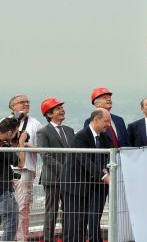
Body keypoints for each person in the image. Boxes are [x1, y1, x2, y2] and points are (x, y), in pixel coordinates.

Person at [61, 108, 111, 242]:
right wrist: (103, 176)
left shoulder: (105, 137)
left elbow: (108, 157)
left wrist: (105, 169)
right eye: (106, 121)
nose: (109, 125)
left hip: (92, 186)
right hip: (75, 186)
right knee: (75, 223)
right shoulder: (82, 136)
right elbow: (84, 160)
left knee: (88, 220)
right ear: (96, 119)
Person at [37, 97, 75, 242]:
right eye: (58, 108)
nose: (62, 110)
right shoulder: (43, 132)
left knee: (69, 211)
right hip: (53, 179)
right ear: (49, 114)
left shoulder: (69, 130)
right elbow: (45, 156)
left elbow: (75, 152)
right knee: (51, 212)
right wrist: (65, 171)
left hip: (70, 178)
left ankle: (68, 238)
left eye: (61, 108)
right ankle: (48, 239)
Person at [9, 94, 42, 241]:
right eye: (21, 102)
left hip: (25, 169)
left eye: (27, 102)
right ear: (13, 106)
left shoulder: (35, 124)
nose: (25, 104)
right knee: (7, 207)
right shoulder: (4, 122)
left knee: (22, 207)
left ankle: (21, 238)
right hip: (6, 169)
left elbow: (41, 148)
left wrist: (25, 144)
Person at [0, 117, 27, 241]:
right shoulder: (4, 147)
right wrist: (21, 143)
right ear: (9, 133)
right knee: (11, 224)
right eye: (16, 133)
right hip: (4, 192)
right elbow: (20, 163)